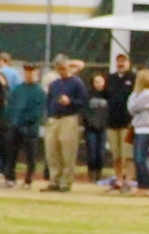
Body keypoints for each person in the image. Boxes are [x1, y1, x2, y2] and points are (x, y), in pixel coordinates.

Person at [41, 54, 87, 192]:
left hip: (69, 118)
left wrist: (70, 102)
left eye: (64, 68)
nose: (62, 71)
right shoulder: (54, 84)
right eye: (59, 68)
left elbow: (83, 102)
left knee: (67, 151)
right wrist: (49, 116)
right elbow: (49, 101)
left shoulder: (76, 83)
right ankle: (54, 180)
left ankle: (65, 182)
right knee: (52, 151)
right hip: (54, 119)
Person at [3, 63, 45, 189]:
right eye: (27, 72)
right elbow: (10, 107)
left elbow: (38, 112)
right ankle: (10, 178)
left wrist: (24, 122)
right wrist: (11, 121)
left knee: (30, 156)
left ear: (37, 74)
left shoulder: (39, 92)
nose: (29, 74)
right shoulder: (18, 89)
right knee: (11, 154)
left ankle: (28, 180)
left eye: (32, 72)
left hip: (30, 128)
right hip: (15, 127)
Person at [127, 69, 149, 197]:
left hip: (146, 129)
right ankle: (142, 185)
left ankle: (146, 186)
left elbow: (132, 107)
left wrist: (134, 94)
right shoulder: (142, 94)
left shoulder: (148, 95)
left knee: (141, 158)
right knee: (138, 158)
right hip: (140, 128)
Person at [105, 54, 136, 193]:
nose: (121, 64)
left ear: (129, 62)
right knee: (116, 155)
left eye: (123, 61)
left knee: (128, 154)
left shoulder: (133, 78)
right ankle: (118, 179)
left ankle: (128, 181)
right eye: (118, 61)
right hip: (112, 122)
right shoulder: (110, 78)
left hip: (127, 122)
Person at [83, 73, 109, 182]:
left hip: (103, 128)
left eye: (101, 81)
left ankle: (99, 173)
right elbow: (84, 111)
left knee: (101, 153)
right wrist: (90, 122)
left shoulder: (107, 95)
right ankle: (92, 173)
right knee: (92, 152)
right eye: (96, 82)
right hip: (91, 128)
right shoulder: (88, 95)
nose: (99, 84)